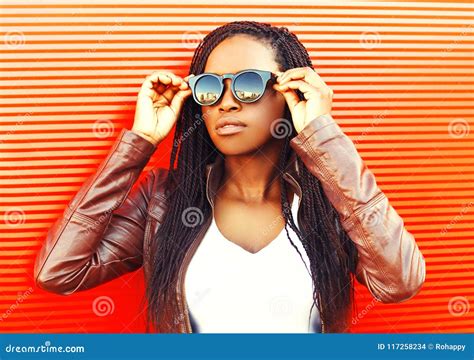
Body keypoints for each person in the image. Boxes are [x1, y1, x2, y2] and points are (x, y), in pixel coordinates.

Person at [34, 21, 426, 333]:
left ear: (291, 92)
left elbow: (399, 282)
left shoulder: (330, 198)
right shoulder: (164, 198)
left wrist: (322, 133)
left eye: (249, 83)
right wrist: (140, 142)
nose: (227, 101)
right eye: (208, 87)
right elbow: (59, 271)